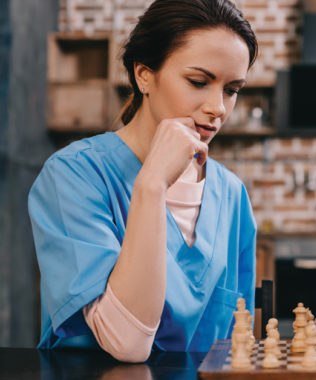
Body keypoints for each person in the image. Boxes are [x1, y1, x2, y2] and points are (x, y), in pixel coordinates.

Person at [28, 0, 258, 362]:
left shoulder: (231, 194)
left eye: (232, 90)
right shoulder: (73, 176)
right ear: (143, 75)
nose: (218, 107)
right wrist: (151, 184)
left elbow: (233, 349)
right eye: (199, 82)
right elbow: (127, 343)